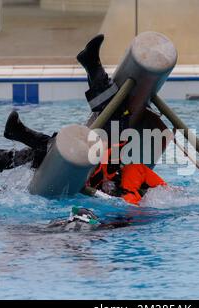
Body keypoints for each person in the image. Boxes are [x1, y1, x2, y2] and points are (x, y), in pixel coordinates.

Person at [78, 34, 167, 205]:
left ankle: (92, 65)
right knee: (117, 114)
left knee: (116, 115)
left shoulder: (126, 192)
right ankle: (92, 65)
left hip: (101, 181)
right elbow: (172, 194)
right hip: (108, 172)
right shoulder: (134, 176)